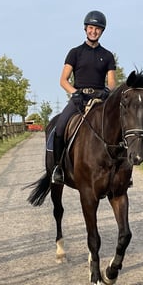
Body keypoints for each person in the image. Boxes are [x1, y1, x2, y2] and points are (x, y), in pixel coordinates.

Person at [52, 10, 117, 184]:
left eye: (97, 29)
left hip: (100, 99)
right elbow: (63, 80)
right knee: (60, 126)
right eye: (90, 28)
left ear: (102, 31)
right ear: (85, 29)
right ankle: (58, 168)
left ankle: (122, 171)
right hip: (79, 98)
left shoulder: (108, 55)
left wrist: (107, 91)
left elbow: (112, 82)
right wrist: (75, 93)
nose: (93, 31)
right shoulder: (75, 53)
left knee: (119, 128)